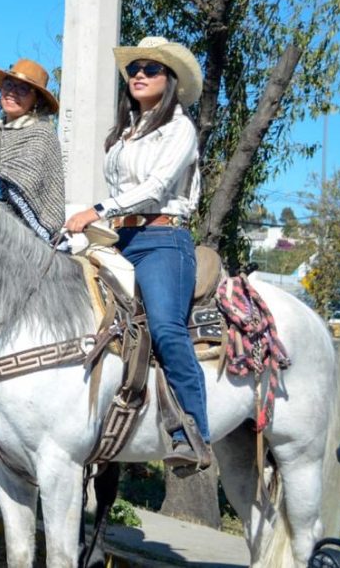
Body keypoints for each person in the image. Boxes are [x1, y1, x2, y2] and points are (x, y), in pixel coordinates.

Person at [64, 36, 210, 474]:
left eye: (151, 68)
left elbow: (155, 189)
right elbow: (122, 195)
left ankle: (192, 433)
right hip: (119, 239)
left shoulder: (180, 128)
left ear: (171, 81)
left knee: (165, 329)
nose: (139, 75)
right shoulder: (126, 134)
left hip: (163, 241)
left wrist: (97, 210)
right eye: (134, 69)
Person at [0, 59, 65, 242]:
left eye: (23, 89)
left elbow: (20, 185)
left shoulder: (42, 134)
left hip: (23, 237)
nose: (12, 92)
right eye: (8, 85)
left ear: (37, 100)